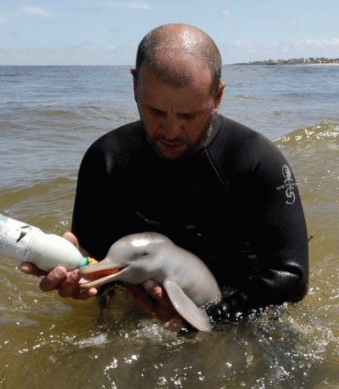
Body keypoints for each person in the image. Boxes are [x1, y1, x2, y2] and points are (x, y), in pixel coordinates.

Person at [21, 23, 309, 324]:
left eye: (188, 115)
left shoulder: (256, 161)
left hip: (237, 314)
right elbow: (96, 263)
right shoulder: (105, 159)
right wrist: (76, 272)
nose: (171, 132)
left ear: (217, 96)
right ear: (135, 85)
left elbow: (291, 277)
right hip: (144, 312)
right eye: (156, 112)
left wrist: (210, 318)